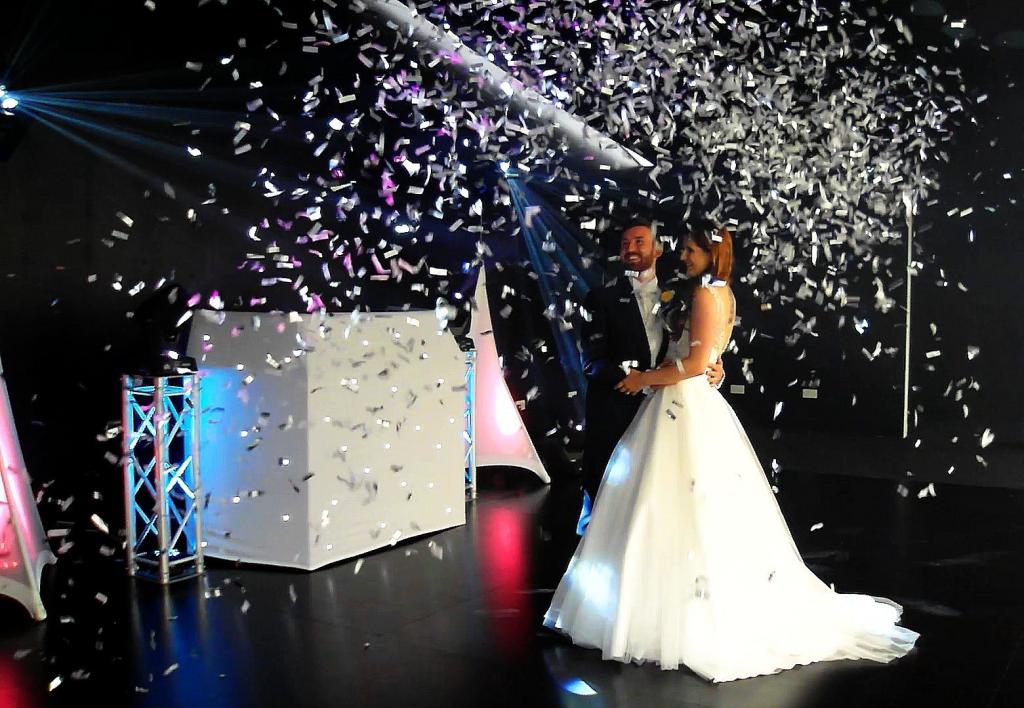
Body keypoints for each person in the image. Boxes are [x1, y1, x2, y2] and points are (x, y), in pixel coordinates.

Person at [545, 224, 918, 682]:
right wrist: (696, 366)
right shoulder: (695, 293)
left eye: (690, 249)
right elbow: (693, 353)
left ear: (707, 253)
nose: (683, 255)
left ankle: (667, 613)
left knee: (679, 503)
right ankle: (654, 600)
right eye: (681, 249)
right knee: (663, 504)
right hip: (666, 403)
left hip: (678, 405)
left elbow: (697, 360)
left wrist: (665, 375)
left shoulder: (702, 294)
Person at [578, 222, 724, 535]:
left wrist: (714, 364)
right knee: (607, 512)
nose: (630, 249)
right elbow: (592, 362)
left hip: (667, 415)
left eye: (639, 242)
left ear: (657, 249)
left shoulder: (681, 295)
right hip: (616, 412)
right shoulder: (599, 298)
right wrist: (634, 379)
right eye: (624, 243)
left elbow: (696, 343)